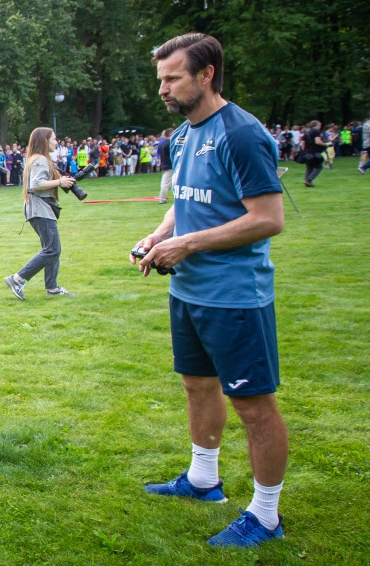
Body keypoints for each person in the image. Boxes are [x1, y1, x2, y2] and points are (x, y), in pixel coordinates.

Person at [133, 33, 287, 549]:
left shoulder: (242, 135)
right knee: (197, 386)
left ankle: (265, 515)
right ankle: (204, 481)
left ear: (207, 75)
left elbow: (268, 219)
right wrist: (160, 236)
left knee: (253, 406)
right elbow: (186, 199)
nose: (163, 88)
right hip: (190, 290)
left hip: (236, 295)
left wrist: (189, 244)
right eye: (161, 79)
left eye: (172, 78)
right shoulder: (182, 135)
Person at [3, 128, 76, 300]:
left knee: (52, 249)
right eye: (54, 139)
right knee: (52, 249)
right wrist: (59, 181)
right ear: (45, 141)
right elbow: (35, 184)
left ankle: (52, 287)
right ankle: (18, 278)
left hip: (40, 208)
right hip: (40, 209)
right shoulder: (40, 160)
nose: (56, 142)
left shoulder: (38, 159)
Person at [301, 120, 326, 187]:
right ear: (317, 125)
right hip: (313, 152)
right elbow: (317, 141)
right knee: (319, 167)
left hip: (306, 153)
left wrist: (304, 152)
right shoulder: (316, 131)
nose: (320, 127)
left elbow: (303, 144)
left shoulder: (307, 132)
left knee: (309, 168)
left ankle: (306, 180)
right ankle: (309, 180)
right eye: (319, 125)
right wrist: (325, 144)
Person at [157, 128, 174, 203]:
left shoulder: (161, 144)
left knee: (169, 183)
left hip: (164, 164)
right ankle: (162, 199)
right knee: (166, 184)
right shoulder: (170, 143)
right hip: (169, 165)